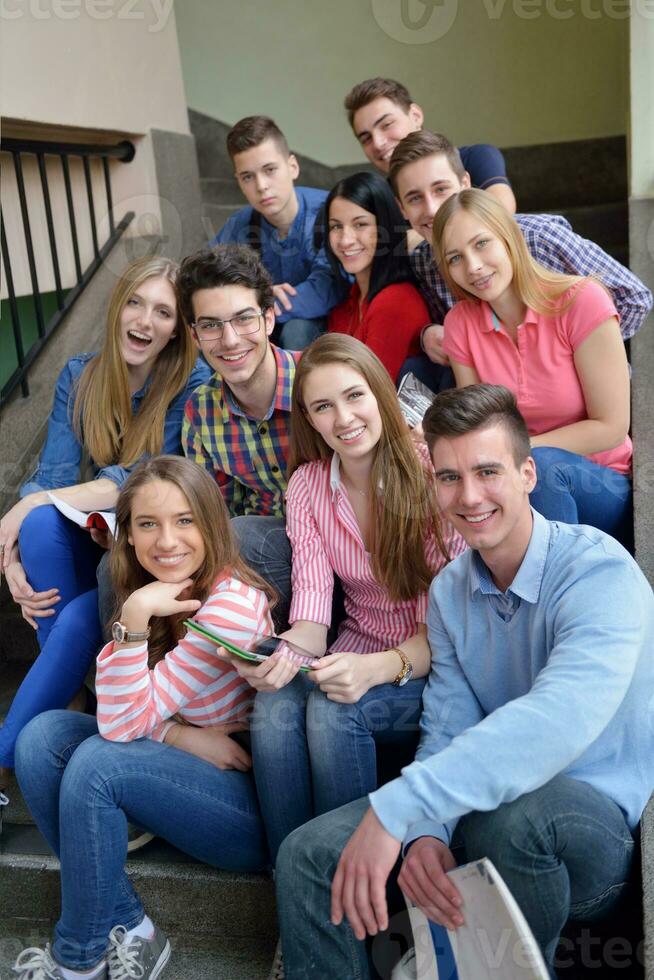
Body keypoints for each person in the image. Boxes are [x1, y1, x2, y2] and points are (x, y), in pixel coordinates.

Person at [274, 384, 654, 980]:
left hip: (587, 828)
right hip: (485, 804)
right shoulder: (451, 589)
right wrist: (426, 831)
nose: (469, 496)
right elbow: (448, 721)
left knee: (515, 821)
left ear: (528, 473)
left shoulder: (597, 571)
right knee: (309, 854)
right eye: (449, 477)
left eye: (487, 472)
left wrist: (401, 806)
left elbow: (555, 723)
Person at [12, 455, 275, 980]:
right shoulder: (151, 596)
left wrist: (132, 623)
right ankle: (130, 925)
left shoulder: (229, 605)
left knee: (98, 764)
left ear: (211, 524)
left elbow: (119, 727)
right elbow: (122, 716)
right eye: (147, 524)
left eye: (184, 521)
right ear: (126, 535)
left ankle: (77, 959)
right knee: (40, 739)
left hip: (244, 811)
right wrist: (182, 737)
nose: (167, 541)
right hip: (185, 769)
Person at [219, 334, 465, 865]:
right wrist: (280, 656)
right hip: (353, 650)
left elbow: (452, 628)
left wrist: (376, 667)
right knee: (276, 699)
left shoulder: (432, 472)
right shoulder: (308, 485)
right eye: (323, 406)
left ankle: (345, 881)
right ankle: (295, 881)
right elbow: (311, 615)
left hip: (429, 666)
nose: (344, 418)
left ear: (379, 394)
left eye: (355, 396)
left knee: (333, 709)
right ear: (309, 418)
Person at [0, 257, 210, 785]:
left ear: (178, 329)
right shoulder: (79, 374)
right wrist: (13, 565)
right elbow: (48, 473)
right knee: (40, 528)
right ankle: (73, 688)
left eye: (163, 312)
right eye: (136, 303)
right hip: (99, 534)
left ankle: (43, 722)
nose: (144, 320)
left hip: (152, 548)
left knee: (74, 614)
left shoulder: (192, 380)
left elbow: (140, 476)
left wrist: (31, 501)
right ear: (117, 307)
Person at [433, 188, 633, 545]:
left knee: (544, 466)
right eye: (455, 258)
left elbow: (612, 427)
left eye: (481, 244)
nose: (473, 266)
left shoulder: (582, 300)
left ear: (509, 238)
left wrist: (520, 452)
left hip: (601, 481)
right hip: (517, 482)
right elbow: (479, 427)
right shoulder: (459, 324)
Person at [388, 130, 652, 392]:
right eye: (414, 198)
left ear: (465, 183)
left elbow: (634, 297)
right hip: (504, 407)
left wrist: (582, 353)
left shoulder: (538, 237)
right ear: (402, 209)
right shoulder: (423, 262)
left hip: (587, 395)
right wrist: (426, 335)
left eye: (441, 189)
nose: (432, 208)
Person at [178, 243, 300, 627]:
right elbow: (216, 514)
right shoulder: (201, 411)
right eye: (211, 325)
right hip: (259, 564)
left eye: (244, 319)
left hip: (339, 552)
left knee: (244, 535)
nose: (229, 340)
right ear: (195, 336)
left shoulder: (317, 381)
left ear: (268, 319)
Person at [210, 115, 345, 350]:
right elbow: (206, 274)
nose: (261, 186)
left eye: (269, 169)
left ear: (292, 167)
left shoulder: (330, 213)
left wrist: (258, 304)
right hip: (261, 322)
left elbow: (326, 288)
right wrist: (256, 299)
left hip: (324, 324)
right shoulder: (241, 224)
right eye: (248, 177)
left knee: (298, 329)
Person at [344, 77, 516, 214]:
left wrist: (415, 238)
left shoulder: (476, 157)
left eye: (387, 124)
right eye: (366, 138)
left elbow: (501, 213)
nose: (378, 143)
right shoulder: (377, 197)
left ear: (416, 116)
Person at [324, 171, 430, 383]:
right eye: (336, 226)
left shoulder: (396, 301)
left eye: (360, 224)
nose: (345, 240)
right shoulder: (348, 302)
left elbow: (368, 389)